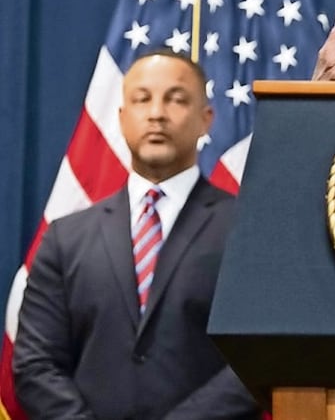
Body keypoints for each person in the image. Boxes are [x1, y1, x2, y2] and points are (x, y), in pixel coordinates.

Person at [13, 50, 259, 419]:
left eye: (176, 99)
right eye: (142, 99)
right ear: (121, 118)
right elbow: (35, 364)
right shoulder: (66, 238)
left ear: (206, 119)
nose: (157, 113)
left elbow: (257, 359)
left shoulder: (246, 231)